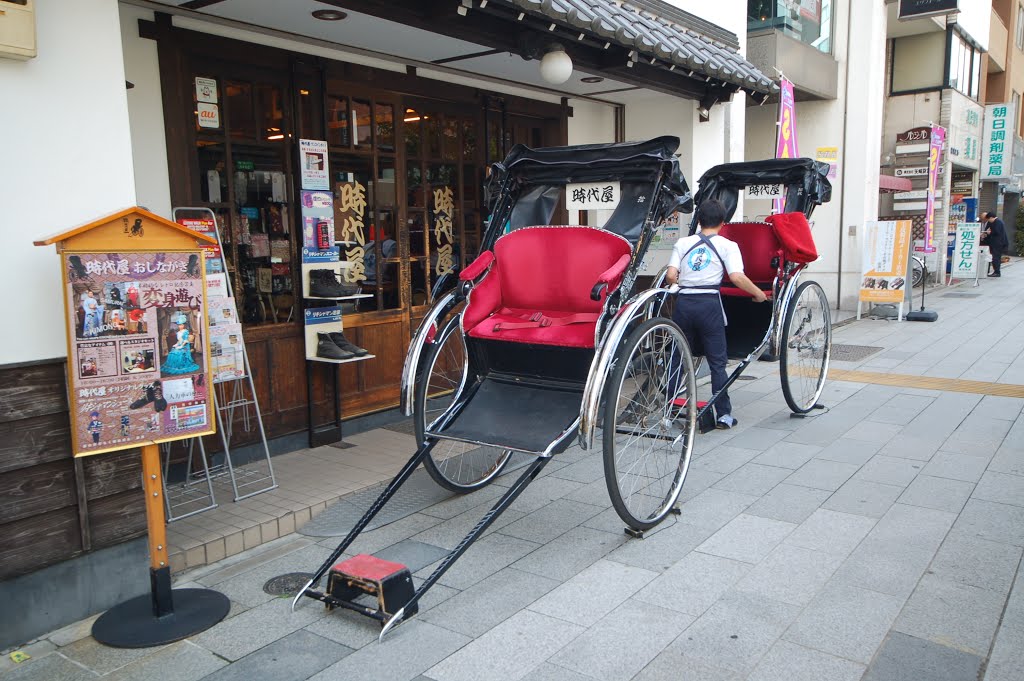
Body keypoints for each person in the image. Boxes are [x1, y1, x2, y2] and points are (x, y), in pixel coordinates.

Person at [665, 199, 768, 429]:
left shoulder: (683, 243)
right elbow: (737, 277)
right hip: (709, 304)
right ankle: (723, 414)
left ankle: (670, 409)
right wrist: (759, 293)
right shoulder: (727, 245)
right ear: (723, 222)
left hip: (683, 303)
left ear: (699, 220)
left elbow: (671, 276)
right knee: (717, 363)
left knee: (677, 358)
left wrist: (685, 282)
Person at [981, 211, 1010, 277]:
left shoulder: (998, 222)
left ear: (991, 218)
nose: (988, 221)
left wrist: (989, 233)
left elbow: (996, 232)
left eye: (988, 219)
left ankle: (997, 272)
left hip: (998, 243)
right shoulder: (997, 222)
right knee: (995, 257)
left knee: (996, 257)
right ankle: (996, 271)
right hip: (996, 243)